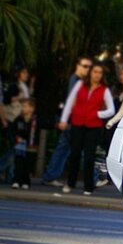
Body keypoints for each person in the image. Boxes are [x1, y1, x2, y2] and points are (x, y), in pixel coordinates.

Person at [60, 63, 115, 195]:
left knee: (89, 156)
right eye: (95, 71)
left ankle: (88, 186)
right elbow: (69, 102)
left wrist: (98, 114)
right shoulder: (80, 85)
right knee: (74, 154)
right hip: (77, 123)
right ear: (90, 72)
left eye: (100, 72)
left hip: (93, 127)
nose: (97, 74)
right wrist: (63, 119)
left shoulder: (104, 90)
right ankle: (70, 183)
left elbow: (111, 110)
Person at [41, 56, 93, 186]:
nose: (88, 69)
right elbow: (73, 102)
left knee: (66, 149)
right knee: (77, 148)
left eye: (89, 67)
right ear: (78, 65)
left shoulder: (76, 80)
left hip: (71, 121)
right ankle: (94, 177)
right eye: (85, 66)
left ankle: (50, 176)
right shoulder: (75, 81)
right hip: (73, 121)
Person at [10, 99, 37, 190]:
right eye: (22, 106)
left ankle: (26, 181)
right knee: (18, 163)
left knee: (27, 164)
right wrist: (15, 138)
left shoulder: (35, 120)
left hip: (30, 146)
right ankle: (16, 181)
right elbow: (12, 130)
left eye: (25, 106)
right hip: (19, 145)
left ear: (31, 108)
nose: (22, 108)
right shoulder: (18, 119)